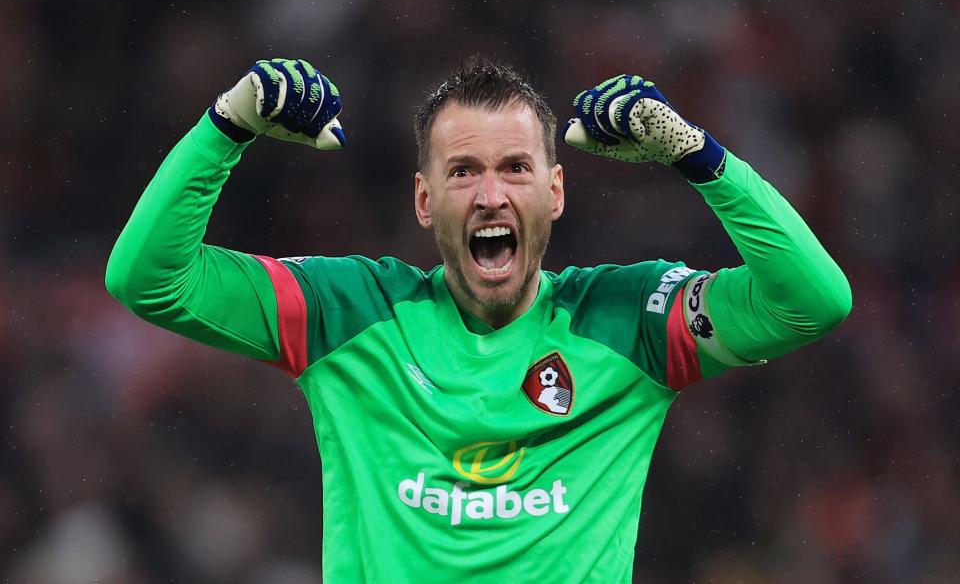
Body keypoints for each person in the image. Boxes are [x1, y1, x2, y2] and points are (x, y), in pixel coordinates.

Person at [106, 56, 851, 582]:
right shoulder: (350, 311)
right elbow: (147, 278)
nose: (491, 194)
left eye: (516, 168)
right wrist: (227, 126)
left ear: (554, 193)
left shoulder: (628, 320)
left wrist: (698, 156)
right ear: (425, 201)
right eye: (463, 170)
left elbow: (813, 300)